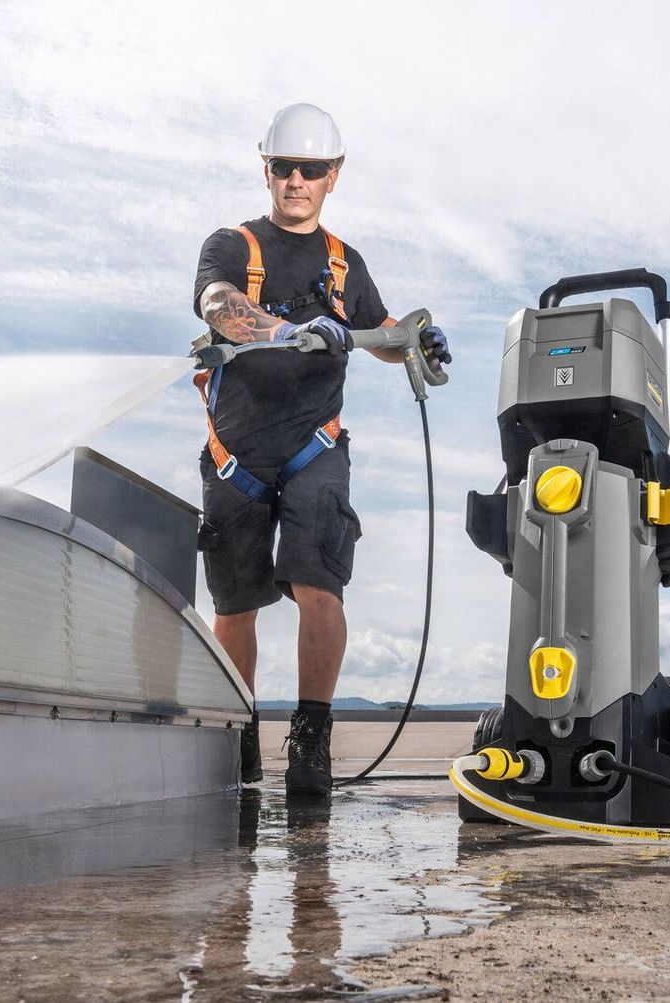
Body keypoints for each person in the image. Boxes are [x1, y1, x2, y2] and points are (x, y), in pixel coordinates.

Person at [192, 103, 451, 797]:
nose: (296, 181)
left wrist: (414, 342)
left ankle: (311, 736)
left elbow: (382, 331)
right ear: (266, 169)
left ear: (334, 175)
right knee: (235, 603)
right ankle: (238, 733)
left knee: (317, 583)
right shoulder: (233, 245)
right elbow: (218, 305)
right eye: (284, 167)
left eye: (311, 169)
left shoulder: (344, 264)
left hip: (315, 448)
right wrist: (281, 331)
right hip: (236, 456)